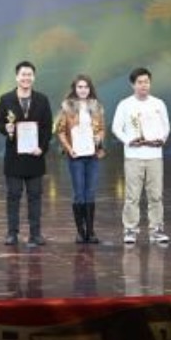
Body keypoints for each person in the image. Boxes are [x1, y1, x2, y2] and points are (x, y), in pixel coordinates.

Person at [0, 61, 53, 247]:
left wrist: (42, 148)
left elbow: (47, 127)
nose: (26, 78)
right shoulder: (6, 99)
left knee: (35, 196)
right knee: (13, 196)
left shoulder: (42, 99)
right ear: (17, 77)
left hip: (35, 156)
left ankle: (36, 234)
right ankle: (12, 234)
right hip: (14, 157)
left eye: (29, 74)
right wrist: (6, 128)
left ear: (33, 77)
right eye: (23, 74)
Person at [112, 67, 171, 245]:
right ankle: (130, 229)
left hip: (154, 155)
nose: (143, 85)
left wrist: (161, 140)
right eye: (140, 82)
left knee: (156, 195)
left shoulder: (158, 103)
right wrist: (129, 141)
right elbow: (116, 128)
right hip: (133, 156)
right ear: (133, 84)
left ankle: (156, 229)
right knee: (132, 195)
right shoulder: (125, 104)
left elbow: (166, 127)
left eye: (146, 82)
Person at [53, 74, 107, 244]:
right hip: (76, 156)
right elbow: (60, 131)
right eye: (80, 87)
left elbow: (102, 129)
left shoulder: (96, 107)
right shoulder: (67, 107)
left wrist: (99, 137)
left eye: (86, 87)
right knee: (79, 194)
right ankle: (80, 232)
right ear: (75, 89)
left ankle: (90, 231)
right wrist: (69, 149)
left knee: (90, 193)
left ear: (90, 89)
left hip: (92, 155)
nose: (83, 90)